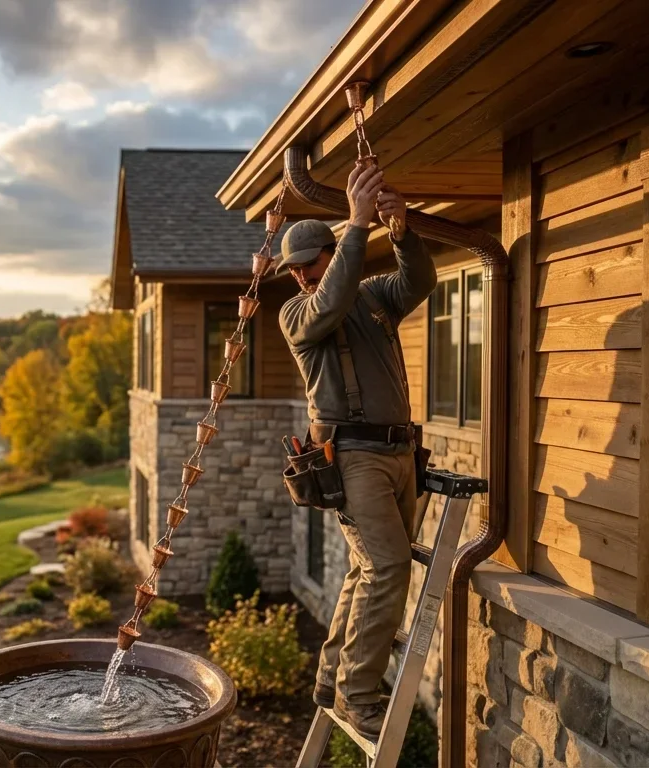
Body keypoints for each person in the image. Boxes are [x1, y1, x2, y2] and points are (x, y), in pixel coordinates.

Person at [277, 163, 436, 739]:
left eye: (307, 264)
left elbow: (418, 283)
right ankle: (357, 696)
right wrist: (358, 223)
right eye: (292, 270)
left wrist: (399, 232)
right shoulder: (297, 314)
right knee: (388, 568)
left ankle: (329, 677)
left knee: (365, 569)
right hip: (353, 459)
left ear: (328, 253)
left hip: (400, 456)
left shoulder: (374, 297)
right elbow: (330, 297)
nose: (298, 276)